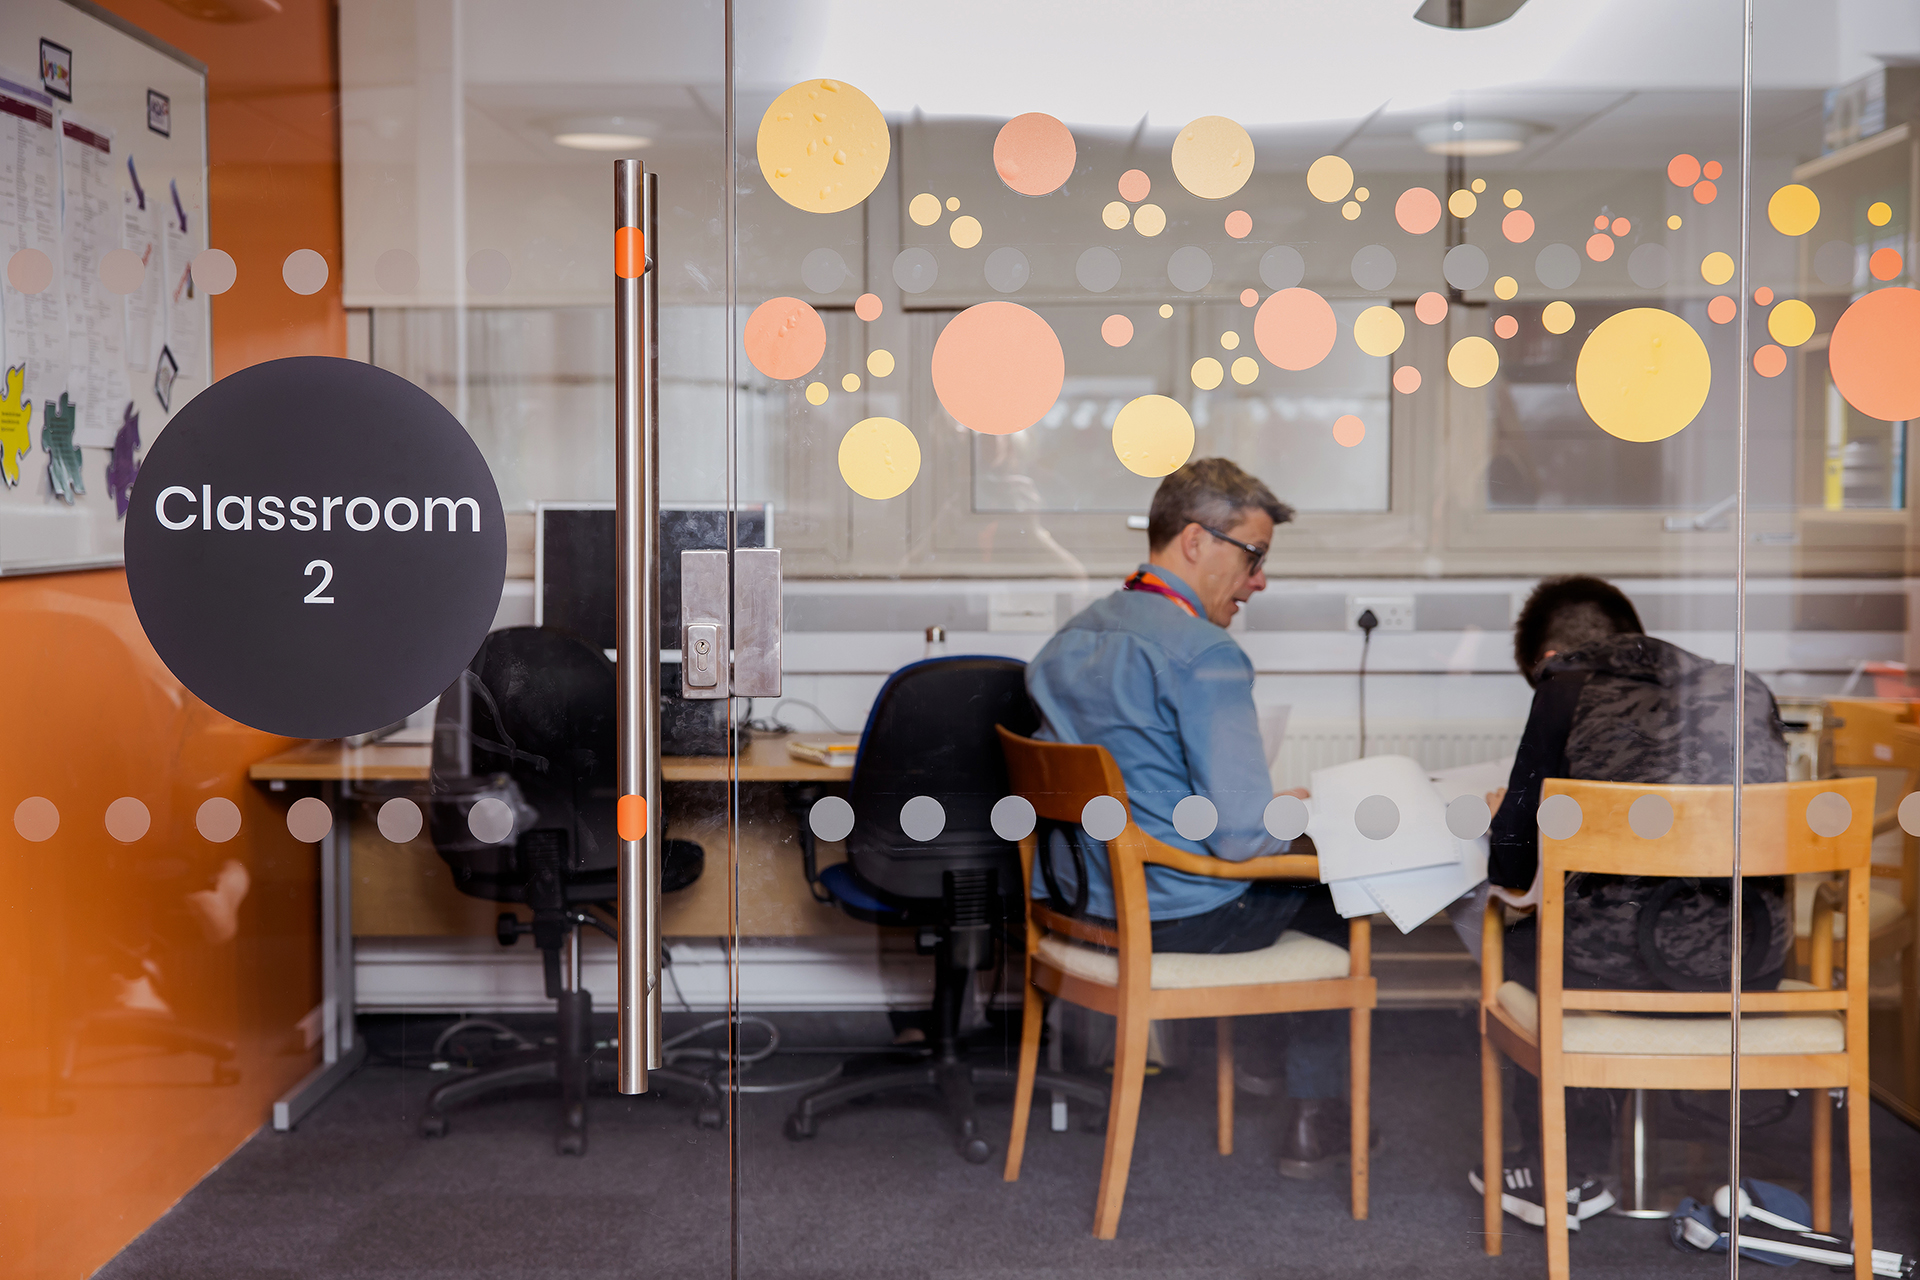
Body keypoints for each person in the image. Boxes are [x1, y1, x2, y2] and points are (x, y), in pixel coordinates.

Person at [1024, 457, 1361, 1179]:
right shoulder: (1206, 653)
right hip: (1176, 915)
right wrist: (1301, 812)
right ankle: (1311, 1117)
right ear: (1194, 541)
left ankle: (1264, 1072)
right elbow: (1239, 837)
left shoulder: (1066, 644)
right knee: (1339, 889)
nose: (1260, 580)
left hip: (1080, 906)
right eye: (1255, 556)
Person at [1470, 575, 1790, 1228]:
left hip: (1611, 977)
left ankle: (1566, 1171)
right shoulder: (1748, 691)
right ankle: (1702, 1135)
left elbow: (1512, 864)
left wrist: (1506, 823)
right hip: (1748, 970)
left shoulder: (1565, 691)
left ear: (1550, 658)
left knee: (1522, 931)